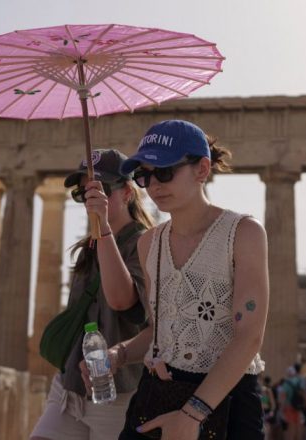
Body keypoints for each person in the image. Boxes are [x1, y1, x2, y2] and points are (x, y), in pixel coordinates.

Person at [98, 120, 269, 439]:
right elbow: (158, 330)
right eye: (144, 175)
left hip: (226, 399)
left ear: (202, 169)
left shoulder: (244, 233)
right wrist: (118, 354)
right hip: (159, 393)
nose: (154, 185)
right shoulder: (148, 243)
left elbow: (249, 336)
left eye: (165, 171)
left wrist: (193, 414)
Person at [30, 149, 155, 440]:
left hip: (118, 392)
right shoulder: (88, 248)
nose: (90, 199)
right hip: (69, 388)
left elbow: (121, 300)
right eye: (82, 193)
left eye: (100, 190)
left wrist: (105, 230)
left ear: (126, 193)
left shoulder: (145, 243)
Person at [280, 366, 306, 440]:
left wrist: (282, 408)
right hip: (299, 407)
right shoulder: (300, 381)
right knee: (299, 426)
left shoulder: (286, 384)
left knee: (291, 426)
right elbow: (304, 393)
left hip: (289, 407)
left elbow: (283, 397)